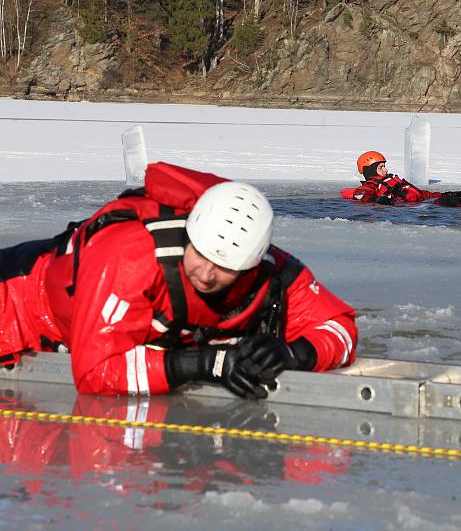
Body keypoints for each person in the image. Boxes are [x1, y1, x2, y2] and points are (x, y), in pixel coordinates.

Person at [0, 162, 358, 399]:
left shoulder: (272, 273)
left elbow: (339, 329)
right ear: (189, 235)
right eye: (200, 254)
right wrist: (206, 364)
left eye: (225, 268)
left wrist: (293, 354)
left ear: (253, 265)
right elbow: (96, 372)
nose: (206, 273)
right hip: (16, 305)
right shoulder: (131, 255)